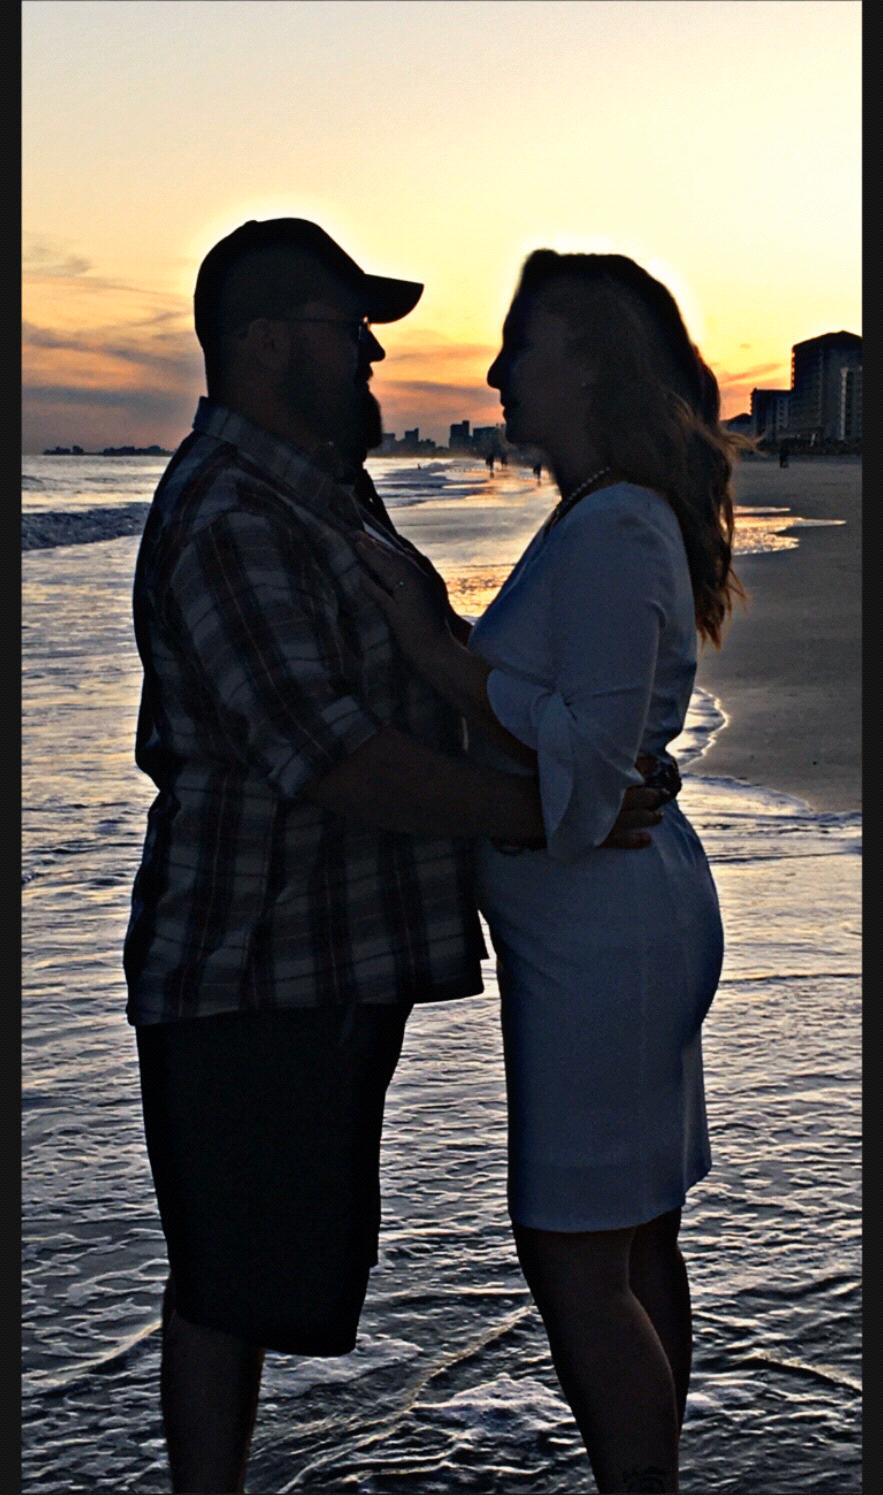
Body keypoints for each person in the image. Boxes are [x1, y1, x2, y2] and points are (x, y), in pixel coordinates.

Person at [123, 220, 669, 1494]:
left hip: (323, 961)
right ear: (266, 343)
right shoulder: (232, 513)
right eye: (348, 327)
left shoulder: (319, 487)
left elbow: (417, 676)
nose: (372, 352)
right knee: (226, 1286)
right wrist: (551, 809)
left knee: (261, 1273)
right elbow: (338, 757)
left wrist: (578, 748)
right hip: (250, 971)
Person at [356, 248, 739, 1494]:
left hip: (602, 937)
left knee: (574, 1252)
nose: (495, 372)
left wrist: (437, 652)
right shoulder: (603, 515)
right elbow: (582, 716)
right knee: (630, 1237)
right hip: (607, 925)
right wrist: (457, 646)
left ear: (590, 365)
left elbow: (590, 746)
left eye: (522, 346)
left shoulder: (618, 523)